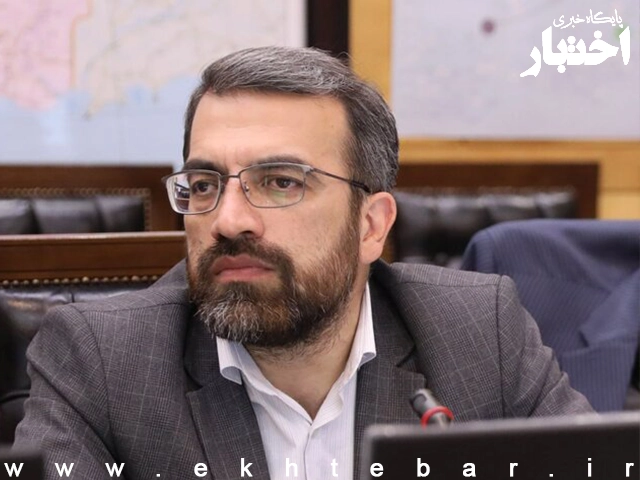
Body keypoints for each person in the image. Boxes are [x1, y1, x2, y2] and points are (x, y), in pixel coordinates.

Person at [14, 46, 592, 480]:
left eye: (281, 182)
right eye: (205, 184)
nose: (228, 221)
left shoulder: (480, 333)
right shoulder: (102, 362)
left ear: (371, 226)